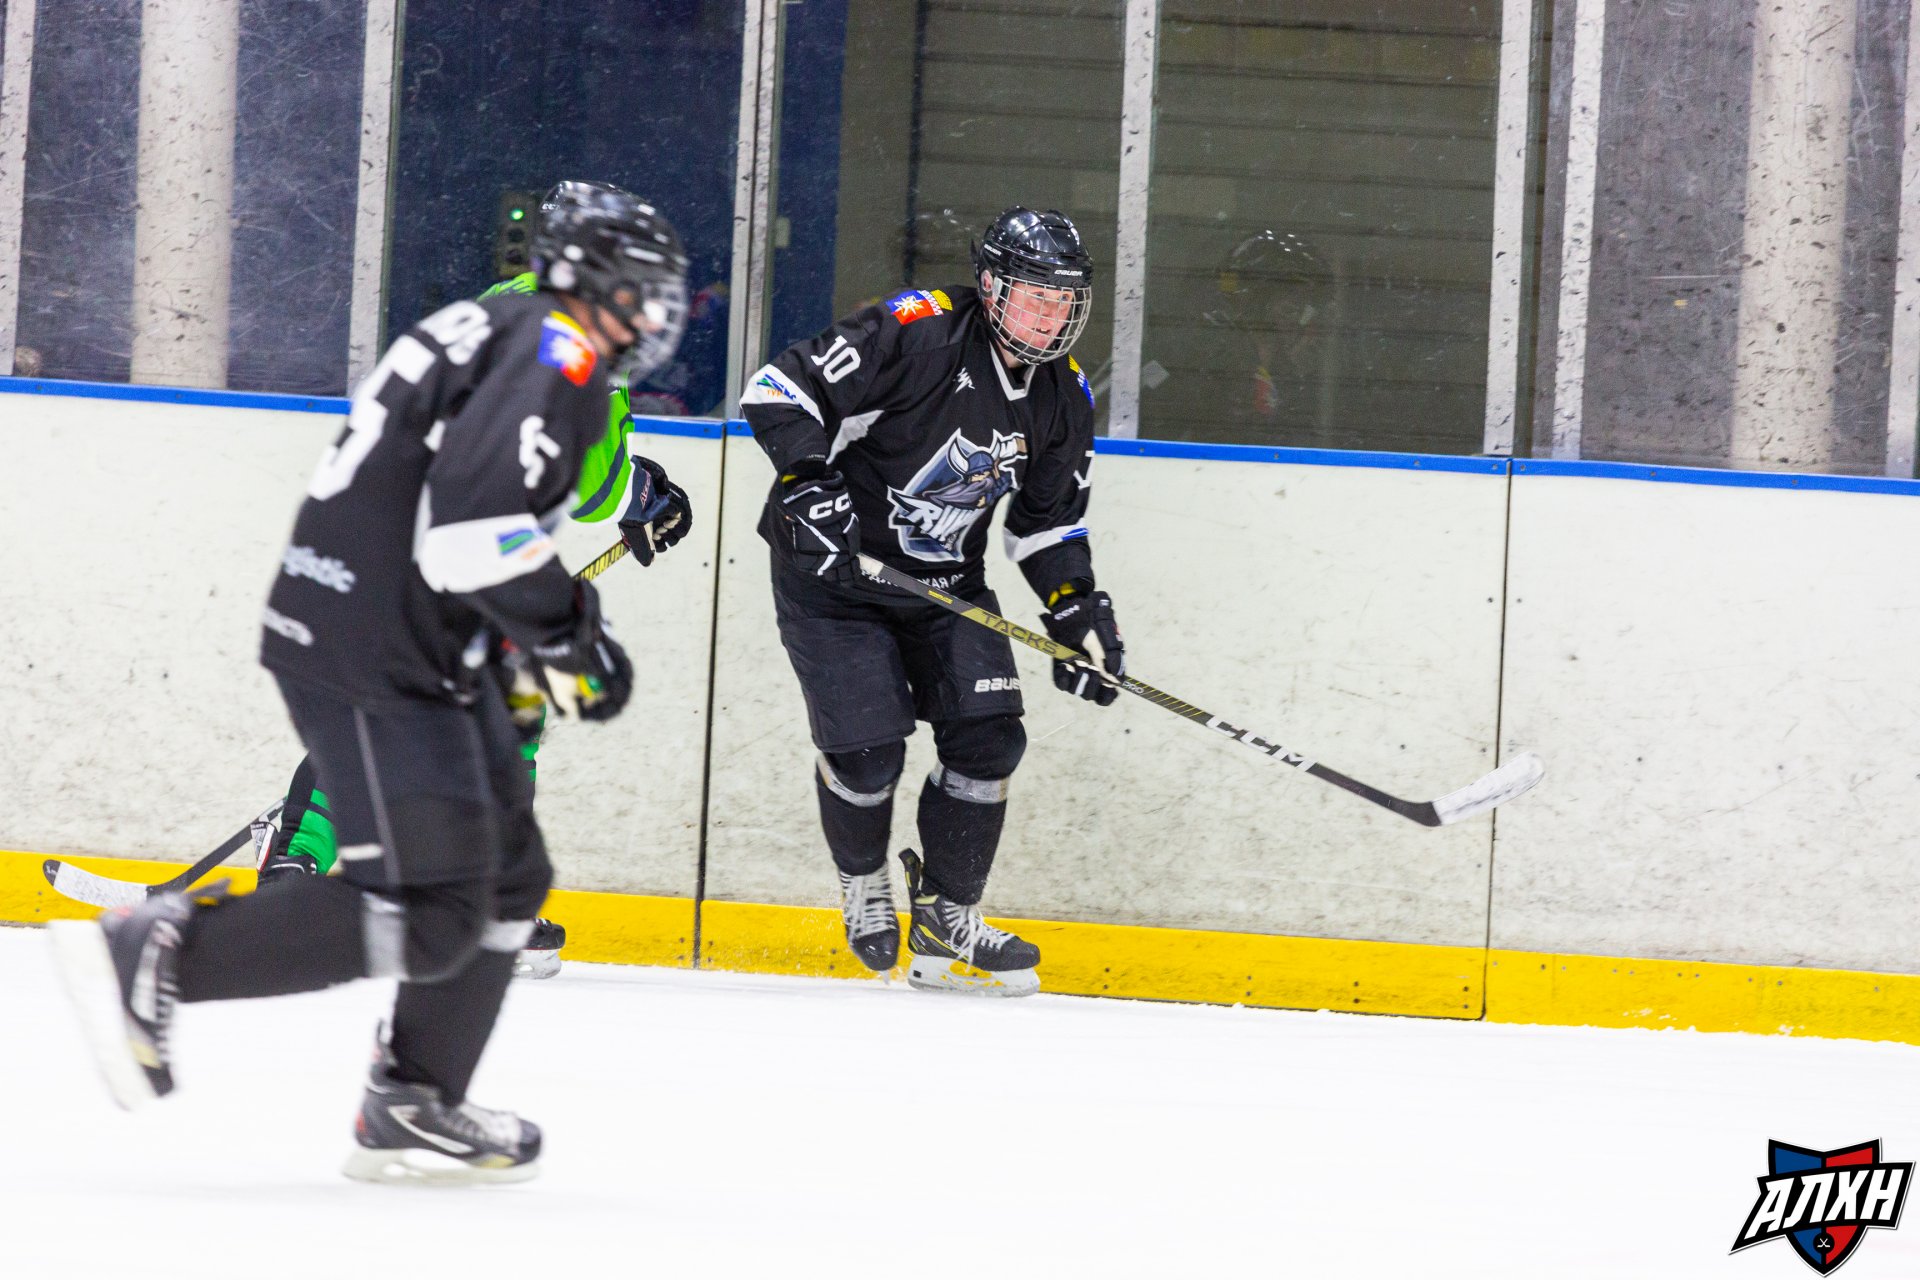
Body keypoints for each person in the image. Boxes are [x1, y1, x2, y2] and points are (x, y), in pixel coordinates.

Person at [48, 184, 692, 1184]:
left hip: (377, 621)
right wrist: (574, 638)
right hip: (382, 643)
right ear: (593, 281)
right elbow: (474, 535)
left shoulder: (489, 323)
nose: (655, 317)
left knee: (507, 872)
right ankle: (157, 953)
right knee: (434, 910)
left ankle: (414, 1097)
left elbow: (448, 511)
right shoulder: (554, 350)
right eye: (643, 292)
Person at [252, 181, 696, 982]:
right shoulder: (570, 338)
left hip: (394, 541)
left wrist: (636, 485)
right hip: (440, 557)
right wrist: (638, 494)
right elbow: (591, 487)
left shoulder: (508, 308)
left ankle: (304, 859)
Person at [740, 206, 1126, 998]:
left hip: (945, 585)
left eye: (1064, 302)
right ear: (991, 287)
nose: (1050, 318)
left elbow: (1046, 524)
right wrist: (807, 480)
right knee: (869, 753)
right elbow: (778, 389)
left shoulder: (1064, 394)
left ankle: (947, 917)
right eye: (1035, 297)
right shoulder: (918, 330)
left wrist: (1073, 605)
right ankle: (863, 881)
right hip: (835, 577)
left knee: (990, 740)